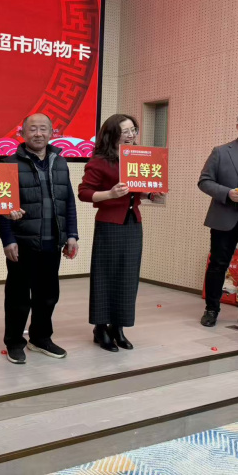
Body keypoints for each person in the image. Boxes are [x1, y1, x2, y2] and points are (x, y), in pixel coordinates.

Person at [0, 113, 79, 365]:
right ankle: (14, 342)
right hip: (22, 243)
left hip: (52, 242)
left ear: (52, 133)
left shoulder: (60, 162)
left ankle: (40, 338)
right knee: (18, 297)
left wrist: (72, 235)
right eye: (33, 129)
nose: (38, 134)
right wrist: (7, 239)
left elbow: (69, 201)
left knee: (48, 295)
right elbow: (0, 207)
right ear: (22, 133)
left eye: (44, 129)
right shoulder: (8, 164)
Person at [78, 114, 163, 352]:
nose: (131, 135)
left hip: (133, 223)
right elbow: (84, 192)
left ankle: (118, 327)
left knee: (128, 277)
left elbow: (137, 190)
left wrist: (152, 194)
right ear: (112, 134)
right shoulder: (99, 162)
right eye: (125, 131)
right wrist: (110, 194)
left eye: (133, 130)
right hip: (109, 224)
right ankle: (100, 328)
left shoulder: (138, 157)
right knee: (105, 276)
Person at [198, 116, 238, 327]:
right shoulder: (221, 152)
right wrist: (227, 193)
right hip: (224, 216)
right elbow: (204, 181)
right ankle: (211, 309)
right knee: (218, 265)